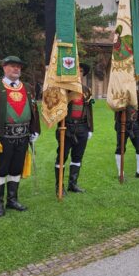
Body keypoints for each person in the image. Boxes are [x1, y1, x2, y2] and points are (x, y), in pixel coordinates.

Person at [0, 56, 40, 217]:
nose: (16, 69)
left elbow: (34, 109)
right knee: (1, 169)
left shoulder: (28, 87)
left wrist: (35, 130)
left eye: (18, 67)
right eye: (12, 66)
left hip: (23, 136)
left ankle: (12, 200)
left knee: (16, 169)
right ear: (4, 68)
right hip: (3, 137)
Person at [54, 63, 94, 195]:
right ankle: (59, 186)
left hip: (82, 127)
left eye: (81, 71)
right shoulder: (63, 89)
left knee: (77, 157)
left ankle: (73, 184)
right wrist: (60, 127)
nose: (79, 73)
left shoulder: (86, 90)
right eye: (77, 70)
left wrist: (90, 128)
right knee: (62, 157)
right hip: (66, 127)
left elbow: (89, 110)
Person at [114, 89, 139, 179]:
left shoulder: (137, 92)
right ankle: (120, 173)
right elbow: (114, 106)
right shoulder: (119, 91)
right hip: (121, 124)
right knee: (120, 149)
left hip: (135, 124)